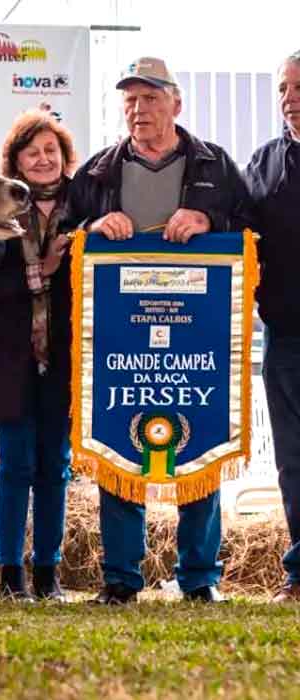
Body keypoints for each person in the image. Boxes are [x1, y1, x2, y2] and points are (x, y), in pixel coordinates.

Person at [62, 56, 252, 604]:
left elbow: (251, 224)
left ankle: (200, 580)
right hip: (119, 338)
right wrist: (94, 226)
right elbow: (64, 227)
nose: (138, 110)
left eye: (149, 98)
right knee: (118, 441)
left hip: (198, 336)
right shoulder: (98, 170)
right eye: (130, 100)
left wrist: (210, 222)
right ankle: (121, 579)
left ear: (176, 104)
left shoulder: (217, 164)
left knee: (203, 444)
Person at [0, 109, 77, 602]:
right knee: (14, 465)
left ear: (63, 158)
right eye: (31, 152)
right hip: (10, 356)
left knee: (55, 465)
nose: (42, 160)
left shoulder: (83, 205)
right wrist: (44, 269)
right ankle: (10, 574)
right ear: (15, 160)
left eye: (50, 151)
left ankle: (48, 573)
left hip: (66, 357)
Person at [245, 50, 300, 603]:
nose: (290, 100)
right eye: (285, 89)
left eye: (299, 89)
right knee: (294, 462)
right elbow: (236, 234)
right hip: (285, 340)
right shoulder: (262, 163)